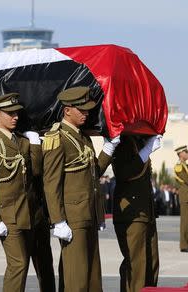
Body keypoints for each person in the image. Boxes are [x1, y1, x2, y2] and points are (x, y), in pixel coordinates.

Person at [42, 86, 119, 291]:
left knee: (93, 277)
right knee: (77, 278)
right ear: (67, 110)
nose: (86, 113)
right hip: (73, 218)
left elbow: (93, 172)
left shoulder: (83, 137)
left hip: (88, 214)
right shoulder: (57, 138)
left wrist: (108, 150)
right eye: (81, 110)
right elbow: (51, 183)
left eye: (87, 110)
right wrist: (58, 220)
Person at [0, 93, 44, 292]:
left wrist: (35, 145)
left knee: (24, 265)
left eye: (16, 113)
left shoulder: (22, 141)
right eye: (9, 113)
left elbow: (36, 171)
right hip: (6, 214)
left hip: (27, 212)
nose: (15, 117)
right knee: (19, 263)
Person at [112, 134, 162, 291]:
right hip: (131, 212)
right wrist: (145, 151)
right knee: (136, 263)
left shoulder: (139, 140)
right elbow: (123, 173)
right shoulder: (123, 142)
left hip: (146, 212)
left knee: (151, 262)